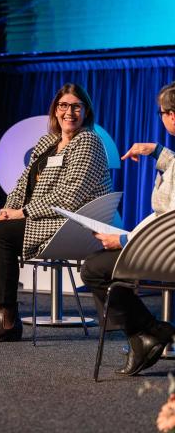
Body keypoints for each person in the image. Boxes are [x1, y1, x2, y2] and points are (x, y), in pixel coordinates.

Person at [0, 83, 112, 342]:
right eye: (63, 105)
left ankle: (8, 319)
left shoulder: (88, 141)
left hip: (69, 223)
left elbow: (70, 197)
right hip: (42, 217)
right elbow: (23, 184)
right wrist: (8, 209)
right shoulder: (47, 142)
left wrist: (23, 212)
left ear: (86, 111)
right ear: (55, 110)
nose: (69, 112)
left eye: (76, 106)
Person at [81, 81, 175, 376]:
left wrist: (124, 240)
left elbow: (172, 218)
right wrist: (157, 150)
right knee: (99, 264)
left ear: (171, 115)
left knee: (95, 268)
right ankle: (146, 335)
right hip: (162, 244)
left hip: (166, 250)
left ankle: (147, 333)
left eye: (161, 112)